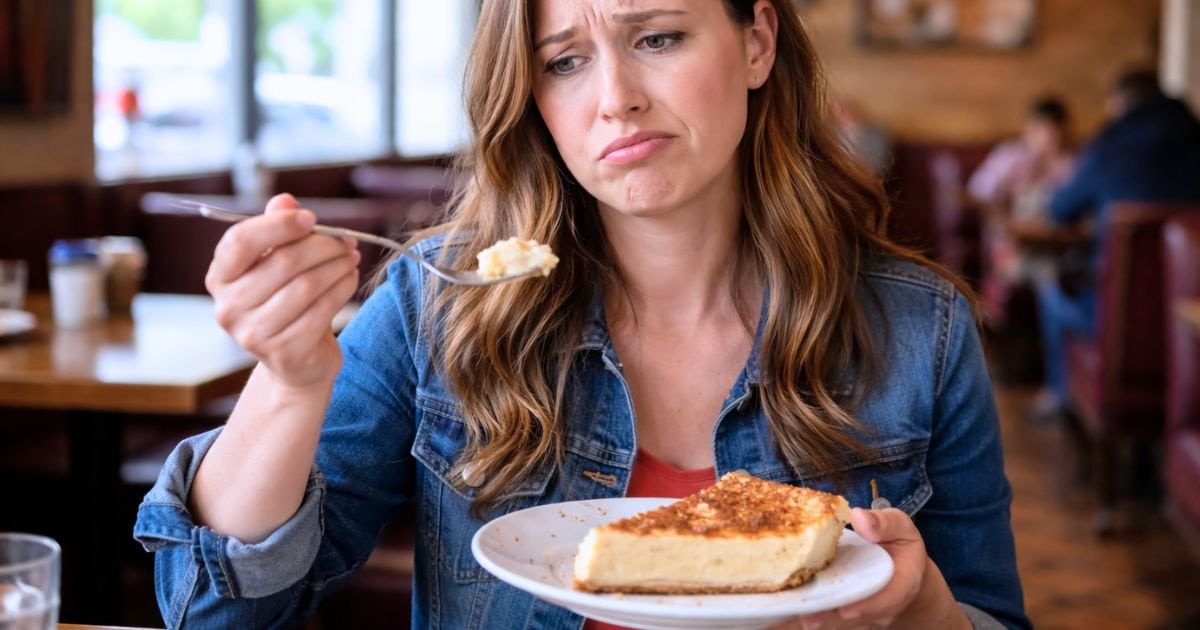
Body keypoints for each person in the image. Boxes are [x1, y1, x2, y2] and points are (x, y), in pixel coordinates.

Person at [133, 2, 1028, 628]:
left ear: (756, 41)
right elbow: (217, 611)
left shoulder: (925, 331)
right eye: (564, 61)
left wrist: (924, 613)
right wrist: (290, 383)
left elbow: (987, 619)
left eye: (660, 37)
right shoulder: (438, 304)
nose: (615, 98)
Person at [1032, 69, 1200, 420]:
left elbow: (1060, 210)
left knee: (1051, 288)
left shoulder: (1108, 147)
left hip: (1121, 324)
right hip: (1190, 327)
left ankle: (1059, 398)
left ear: (1120, 105)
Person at [968, 97, 1076, 324]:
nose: (1048, 140)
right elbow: (978, 194)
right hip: (1017, 248)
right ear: (1030, 129)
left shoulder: (1074, 163)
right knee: (1049, 275)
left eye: (1054, 133)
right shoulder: (1010, 157)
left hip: (1062, 246)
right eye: (1041, 131)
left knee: (1065, 272)